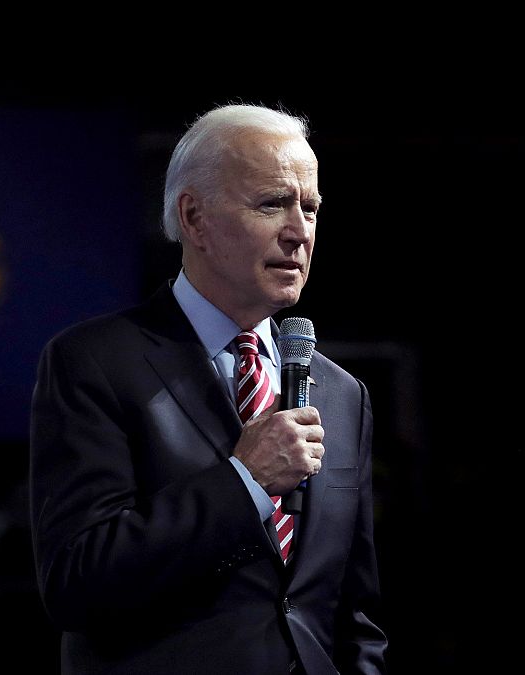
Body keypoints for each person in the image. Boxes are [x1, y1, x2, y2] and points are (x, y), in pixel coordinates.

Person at [29, 103, 388, 674]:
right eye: (273, 204)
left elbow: (353, 615)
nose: (299, 232)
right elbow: (75, 581)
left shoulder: (344, 395)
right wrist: (243, 481)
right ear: (193, 218)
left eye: (311, 208)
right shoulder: (94, 362)